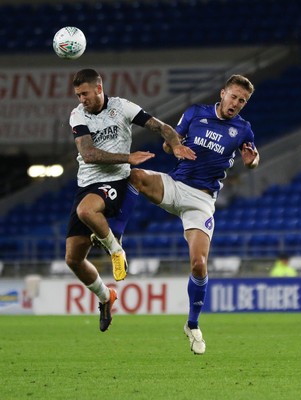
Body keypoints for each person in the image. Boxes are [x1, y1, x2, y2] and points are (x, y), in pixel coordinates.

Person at [128, 74, 260, 354]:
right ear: (223, 93)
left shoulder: (243, 129)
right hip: (176, 185)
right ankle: (114, 240)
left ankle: (192, 324)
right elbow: (170, 142)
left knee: (199, 265)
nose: (236, 103)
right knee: (133, 175)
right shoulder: (195, 113)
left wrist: (251, 161)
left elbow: (253, 158)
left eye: (242, 100)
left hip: (201, 200)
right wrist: (172, 145)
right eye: (234, 96)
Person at [65, 68, 195, 333]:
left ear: (99, 89)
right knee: (73, 259)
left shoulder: (122, 107)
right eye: (78, 95)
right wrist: (128, 156)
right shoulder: (78, 115)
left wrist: (175, 143)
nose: (81, 99)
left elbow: (162, 127)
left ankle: (116, 249)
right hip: (86, 182)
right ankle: (105, 296)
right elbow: (88, 154)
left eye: (85, 93)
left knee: (86, 211)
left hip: (115, 181)